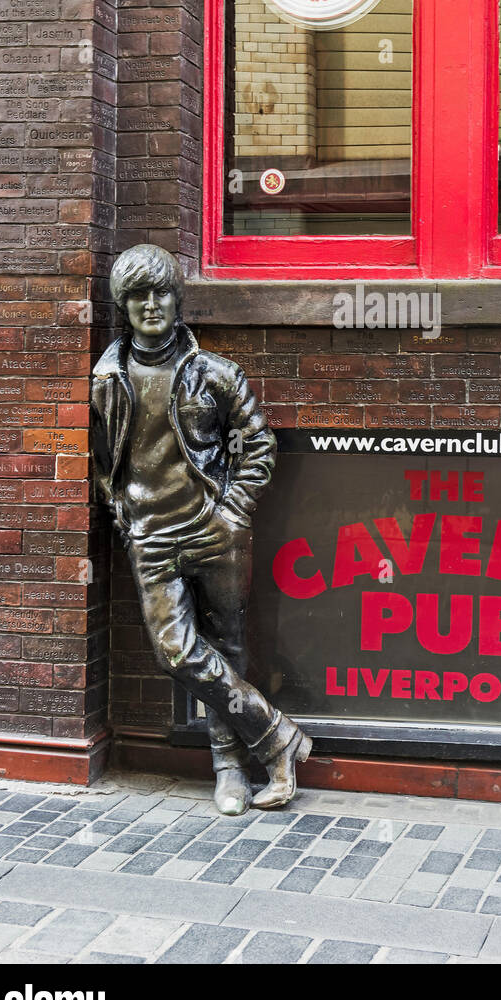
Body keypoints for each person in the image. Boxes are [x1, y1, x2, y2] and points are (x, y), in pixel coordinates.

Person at [90, 243, 310, 815]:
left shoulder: (215, 373)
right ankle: (277, 736)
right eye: (138, 295)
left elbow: (260, 444)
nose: (152, 304)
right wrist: (122, 510)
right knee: (177, 652)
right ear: (124, 304)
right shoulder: (108, 378)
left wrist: (232, 510)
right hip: (152, 537)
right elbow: (101, 457)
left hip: (214, 530)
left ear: (178, 299)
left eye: (162, 292)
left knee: (228, 649)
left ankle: (230, 769)